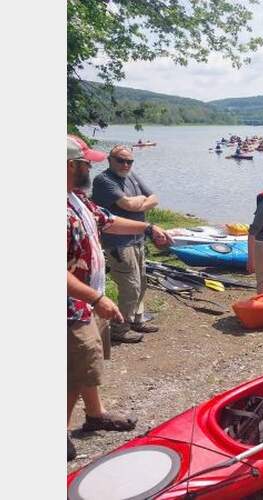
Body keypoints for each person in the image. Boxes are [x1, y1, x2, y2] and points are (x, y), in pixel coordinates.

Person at [67, 135, 172, 461]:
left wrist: (148, 228)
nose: (92, 168)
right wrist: (96, 298)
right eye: (88, 162)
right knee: (73, 369)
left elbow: (108, 220)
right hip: (72, 307)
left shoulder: (77, 199)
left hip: (88, 301)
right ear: (70, 165)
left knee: (89, 365)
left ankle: (95, 414)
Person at [91, 145, 160, 342]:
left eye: (129, 161)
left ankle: (137, 320)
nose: (125, 164)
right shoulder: (104, 180)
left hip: (138, 238)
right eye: (121, 160)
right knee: (130, 286)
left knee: (142, 282)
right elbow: (126, 205)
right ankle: (119, 329)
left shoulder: (132, 176)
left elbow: (154, 198)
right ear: (110, 160)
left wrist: (139, 201)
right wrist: (138, 201)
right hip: (118, 242)